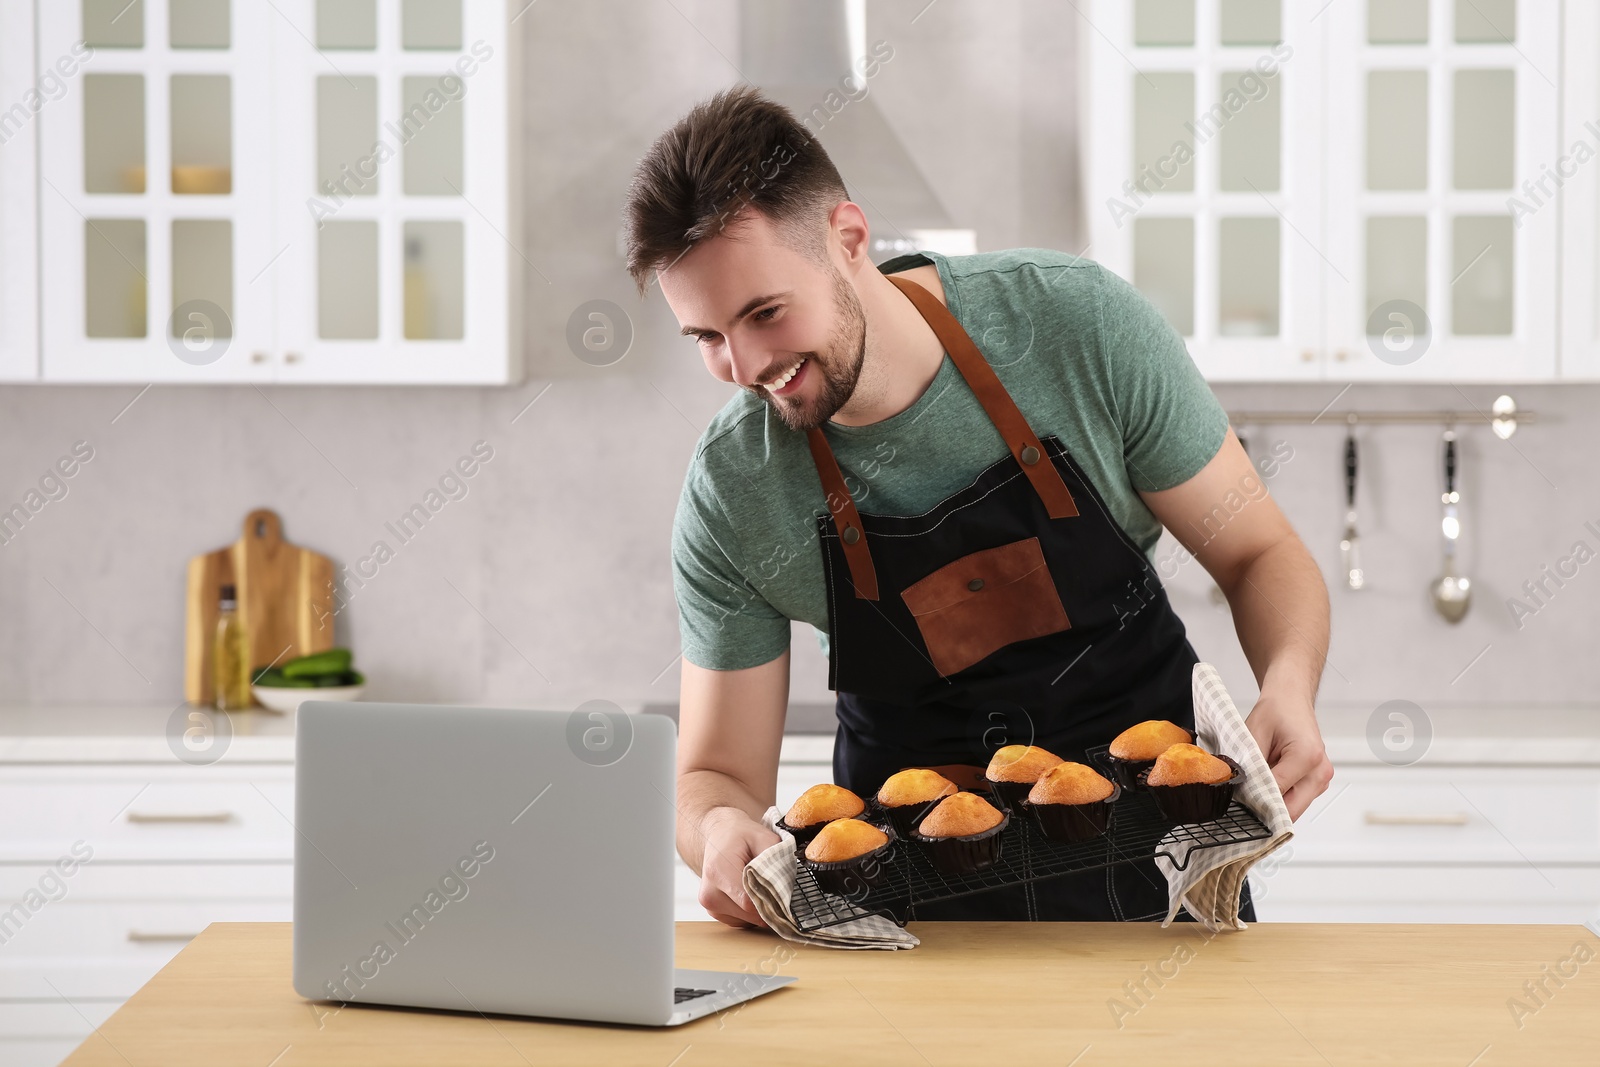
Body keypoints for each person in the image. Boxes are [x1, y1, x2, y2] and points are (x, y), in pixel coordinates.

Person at [622, 86, 1332, 926]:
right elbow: (718, 775)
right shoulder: (737, 489)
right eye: (706, 338)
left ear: (849, 238)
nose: (743, 366)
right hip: (906, 926)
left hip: (1160, 884)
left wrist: (1288, 684)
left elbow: (1259, 552)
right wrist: (717, 830)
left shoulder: (1077, 328)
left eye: (765, 313)